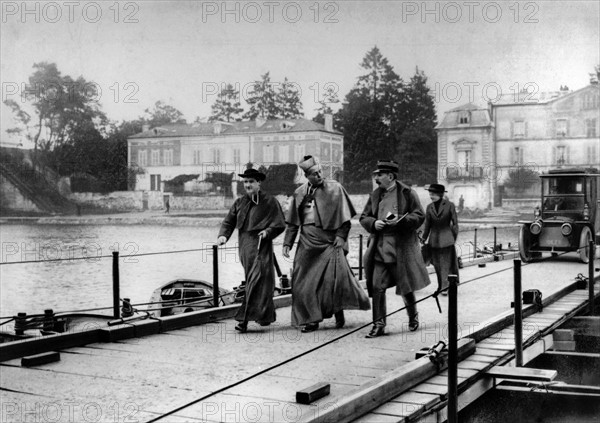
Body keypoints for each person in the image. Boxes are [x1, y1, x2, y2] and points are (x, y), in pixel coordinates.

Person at [283, 155, 370, 333]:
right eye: (314, 174)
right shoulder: (299, 193)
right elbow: (293, 222)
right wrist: (287, 243)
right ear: (307, 176)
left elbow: (345, 219)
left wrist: (341, 236)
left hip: (330, 241)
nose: (319, 176)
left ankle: (337, 310)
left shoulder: (336, 188)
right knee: (301, 281)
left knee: (334, 281)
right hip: (307, 241)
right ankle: (310, 318)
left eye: (320, 172)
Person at [360, 160, 430, 338]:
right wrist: (374, 223)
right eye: (376, 175)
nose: (376, 178)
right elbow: (364, 217)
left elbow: (419, 215)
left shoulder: (407, 193)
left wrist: (402, 219)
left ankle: (413, 316)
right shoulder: (375, 195)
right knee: (377, 286)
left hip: (401, 248)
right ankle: (379, 325)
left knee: (405, 286)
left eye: (380, 175)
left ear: (390, 176)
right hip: (380, 246)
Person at [218, 168, 286, 333]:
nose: (248, 185)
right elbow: (229, 222)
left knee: (256, 280)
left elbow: (280, 224)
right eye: (246, 182)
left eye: (251, 182)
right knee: (259, 281)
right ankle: (265, 316)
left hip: (261, 246)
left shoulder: (270, 201)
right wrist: (223, 236)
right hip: (245, 247)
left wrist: (267, 232)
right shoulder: (240, 202)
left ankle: (244, 319)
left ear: (258, 183)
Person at [421, 184, 459, 296]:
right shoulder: (429, 207)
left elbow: (455, 224)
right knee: (437, 265)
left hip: (446, 240)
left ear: (440, 194)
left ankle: (444, 287)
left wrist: (453, 239)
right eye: (430, 194)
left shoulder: (450, 205)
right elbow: (427, 225)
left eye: (432, 194)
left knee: (445, 264)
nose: (430, 196)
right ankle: (442, 285)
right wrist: (424, 238)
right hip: (434, 241)